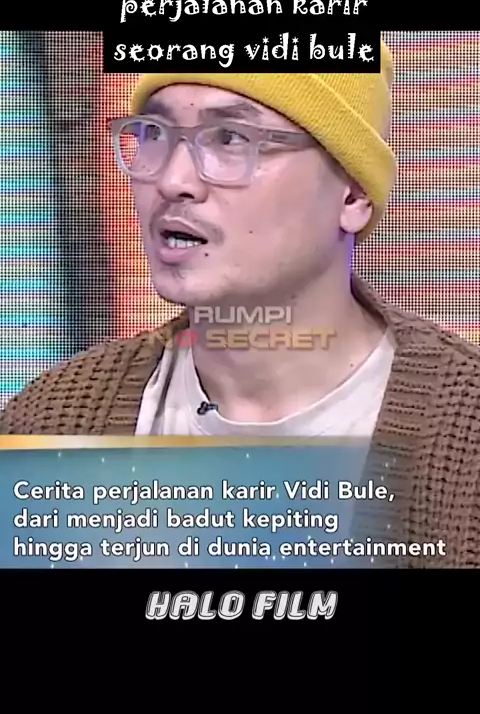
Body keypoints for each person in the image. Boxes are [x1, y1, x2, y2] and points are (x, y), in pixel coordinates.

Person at [1, 41, 480, 567]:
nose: (172, 181)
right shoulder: (49, 425)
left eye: (230, 138)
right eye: (154, 134)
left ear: (352, 193)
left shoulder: (465, 438)